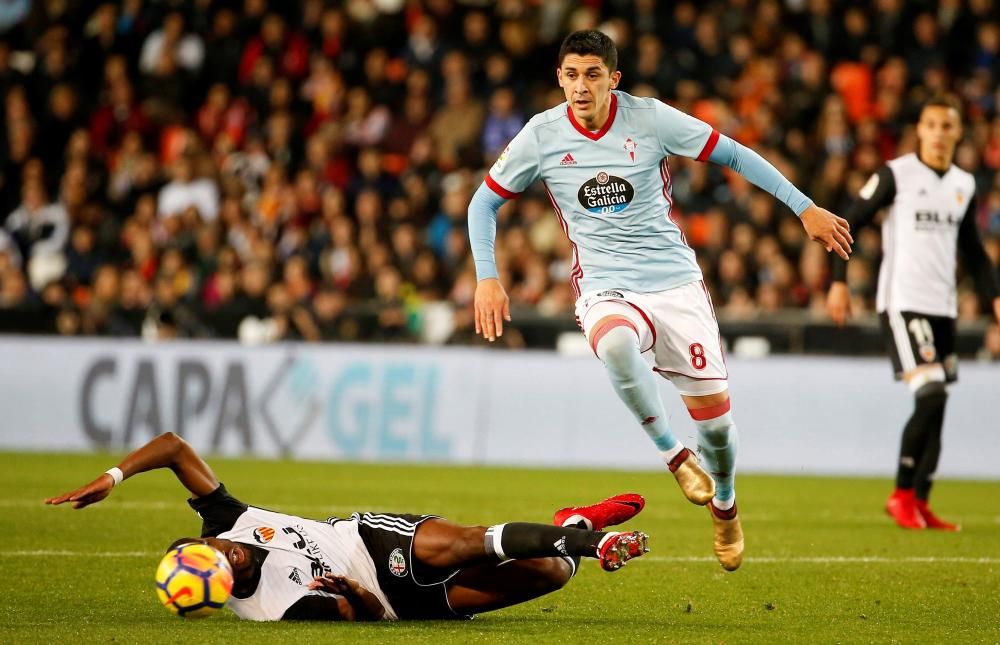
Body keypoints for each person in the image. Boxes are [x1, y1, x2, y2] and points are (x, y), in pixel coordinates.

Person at [467, 30, 853, 572]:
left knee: (717, 432)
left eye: (593, 75)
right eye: (572, 75)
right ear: (560, 78)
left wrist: (804, 207)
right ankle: (674, 455)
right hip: (604, 286)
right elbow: (482, 204)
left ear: (613, 79)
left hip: (675, 285)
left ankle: (725, 505)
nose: (581, 86)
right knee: (618, 346)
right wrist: (488, 277)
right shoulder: (541, 135)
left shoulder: (650, 119)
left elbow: (736, 156)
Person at [46, 432, 649, 622]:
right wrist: (357, 596)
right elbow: (356, 616)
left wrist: (113, 475)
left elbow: (176, 448)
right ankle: (576, 526)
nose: (231, 550)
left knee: (468, 542)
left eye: (218, 546)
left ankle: (597, 544)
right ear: (219, 590)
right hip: (395, 604)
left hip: (371, 539)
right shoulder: (274, 610)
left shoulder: (231, 519)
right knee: (547, 575)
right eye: (225, 564)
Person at [826, 95, 1000, 531]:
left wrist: (995, 297)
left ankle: (921, 501)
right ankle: (902, 493)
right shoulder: (896, 175)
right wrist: (839, 282)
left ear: (959, 134)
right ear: (919, 130)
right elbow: (850, 220)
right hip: (903, 303)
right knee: (932, 394)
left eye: (948, 126)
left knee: (939, 405)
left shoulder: (963, 183)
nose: (940, 134)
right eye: (932, 125)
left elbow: (975, 254)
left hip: (943, 309)